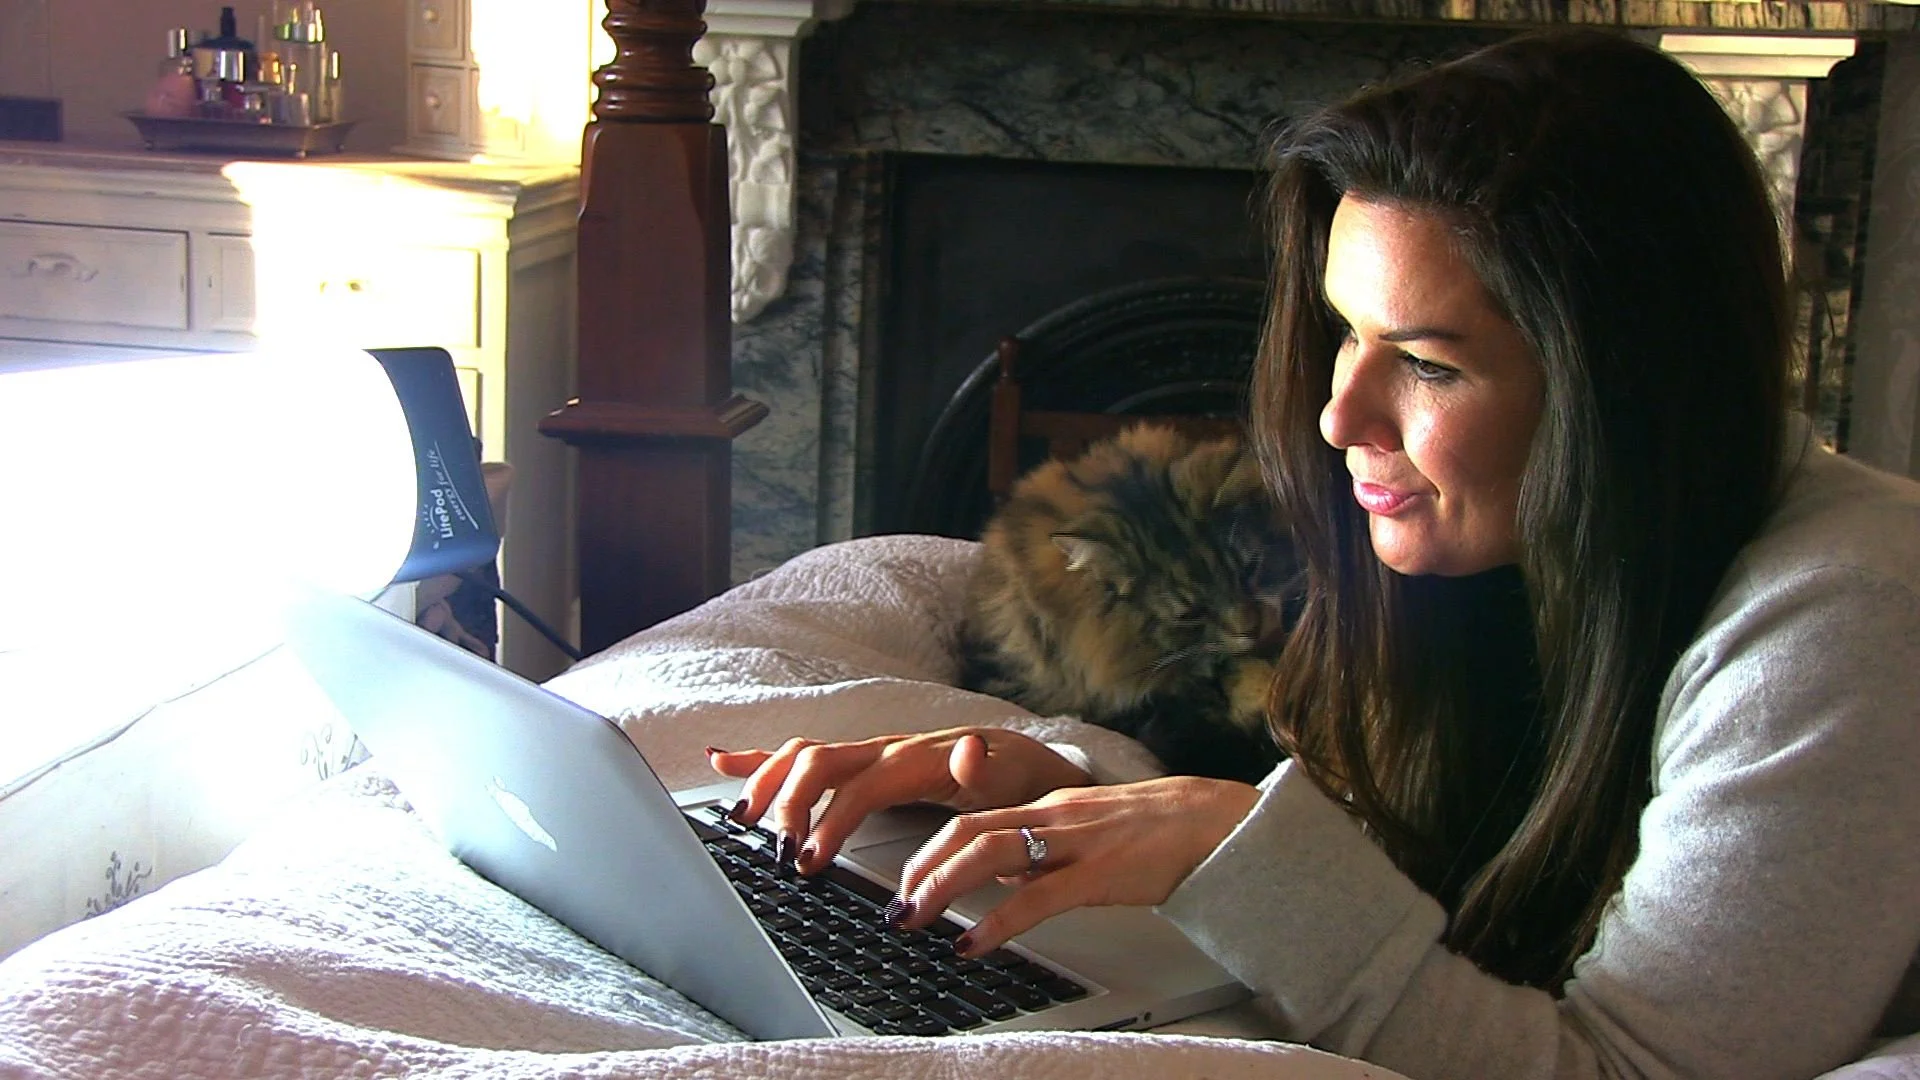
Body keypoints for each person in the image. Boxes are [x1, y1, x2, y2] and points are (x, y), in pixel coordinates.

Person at [707, 28, 1920, 1080]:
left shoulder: (1842, 626)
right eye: (1348, 331)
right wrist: (1067, 797)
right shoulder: (1510, 548)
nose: (1341, 417)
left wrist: (1230, 854)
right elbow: (1375, 873)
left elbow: (1624, 1069)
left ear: (1631, 391)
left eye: (1429, 364)